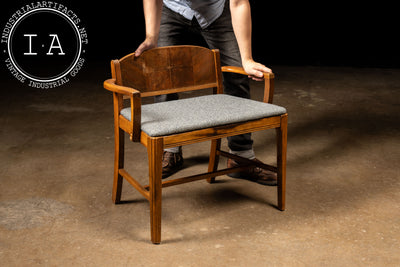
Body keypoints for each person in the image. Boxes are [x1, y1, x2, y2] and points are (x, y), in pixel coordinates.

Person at [135, 0, 277, 186]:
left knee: (236, 74)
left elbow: (239, 3)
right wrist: (151, 37)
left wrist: (247, 59)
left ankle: (241, 157)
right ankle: (171, 150)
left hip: (215, 11)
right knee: (163, 77)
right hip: (172, 7)